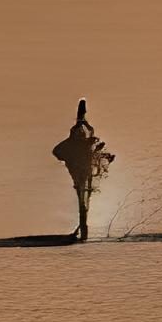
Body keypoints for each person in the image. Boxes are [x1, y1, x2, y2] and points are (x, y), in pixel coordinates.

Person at [53, 99, 114, 242]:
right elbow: (57, 151)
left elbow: (57, 151)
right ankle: (82, 231)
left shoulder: (81, 141)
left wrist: (104, 156)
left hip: (83, 174)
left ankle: (82, 231)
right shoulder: (81, 141)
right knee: (84, 201)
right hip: (82, 173)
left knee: (83, 200)